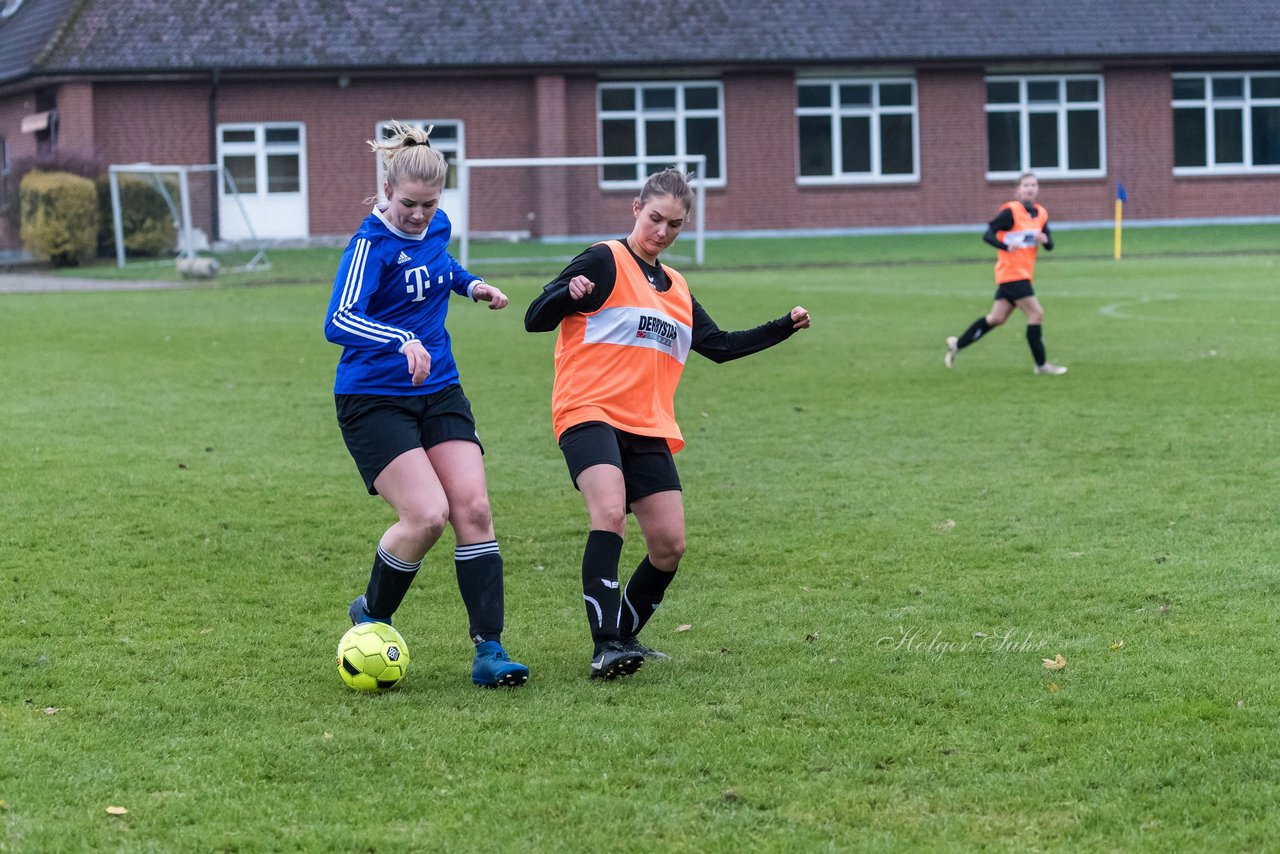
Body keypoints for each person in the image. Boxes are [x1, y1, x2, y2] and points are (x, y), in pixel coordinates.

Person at [524, 168, 811, 680]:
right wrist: (568, 292)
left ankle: (626, 634)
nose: (661, 232)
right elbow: (535, 316)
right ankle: (606, 645)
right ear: (636, 209)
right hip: (587, 410)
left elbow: (719, 347)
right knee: (609, 514)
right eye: (654, 218)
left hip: (646, 424)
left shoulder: (676, 286)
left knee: (669, 544)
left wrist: (783, 327)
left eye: (674, 225)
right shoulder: (604, 259)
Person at [323, 121, 528, 688]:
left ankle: (490, 651)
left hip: (439, 390)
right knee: (427, 516)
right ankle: (373, 617)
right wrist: (400, 340)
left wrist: (474, 286)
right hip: (372, 398)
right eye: (409, 204)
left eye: (429, 204)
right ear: (388, 192)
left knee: (475, 510)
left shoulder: (438, 226)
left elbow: (442, 271)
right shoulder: (370, 244)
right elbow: (338, 320)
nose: (418, 215)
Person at [944, 172, 1067, 375]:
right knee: (1036, 313)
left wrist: (1046, 240)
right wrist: (1005, 245)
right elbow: (988, 234)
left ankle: (957, 344)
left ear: (1038, 189)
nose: (1030, 188)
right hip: (1012, 274)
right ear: (1018, 189)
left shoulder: (1041, 213)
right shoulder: (1011, 211)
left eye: (1033, 185)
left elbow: (1050, 245)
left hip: (1021, 274)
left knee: (996, 318)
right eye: (1026, 185)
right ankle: (1042, 365)